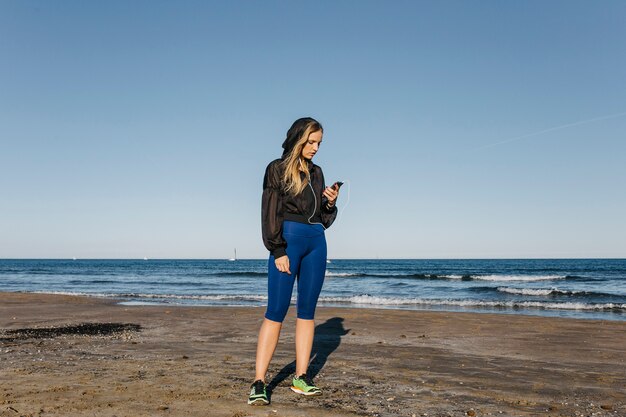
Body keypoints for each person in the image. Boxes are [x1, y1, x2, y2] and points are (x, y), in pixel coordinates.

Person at [248, 117, 340, 406]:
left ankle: (301, 377)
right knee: (275, 311)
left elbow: (323, 221)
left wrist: (330, 202)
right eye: (311, 142)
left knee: (307, 313)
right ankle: (259, 382)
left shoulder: (317, 172)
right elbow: (270, 212)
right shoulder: (276, 169)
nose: (315, 148)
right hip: (287, 242)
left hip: (316, 243)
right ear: (298, 139)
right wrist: (277, 251)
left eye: (319, 143)